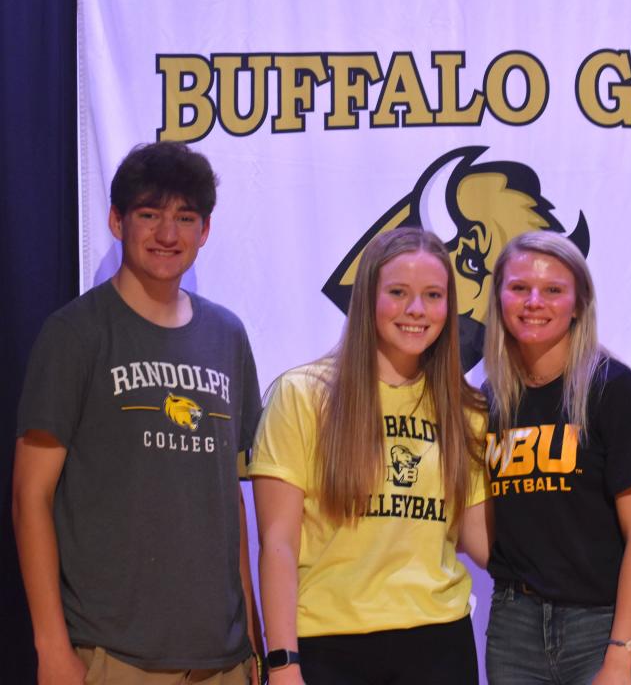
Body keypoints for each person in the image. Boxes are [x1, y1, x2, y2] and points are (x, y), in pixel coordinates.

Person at [13, 141, 262, 685]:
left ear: (206, 229)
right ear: (116, 220)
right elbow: (29, 495)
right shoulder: (75, 334)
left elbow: (230, 503)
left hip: (225, 661)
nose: (168, 234)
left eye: (185, 217)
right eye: (150, 214)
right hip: (115, 658)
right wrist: (51, 646)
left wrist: (256, 643)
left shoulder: (228, 336)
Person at [250, 227, 490, 685]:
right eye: (398, 292)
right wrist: (282, 662)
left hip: (439, 643)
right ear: (366, 299)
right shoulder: (303, 395)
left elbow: (481, 540)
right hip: (330, 644)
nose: (417, 310)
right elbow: (277, 544)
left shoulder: (466, 408)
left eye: (433, 295)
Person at [482, 231, 631, 685]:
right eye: (519, 287)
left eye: (554, 290)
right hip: (514, 626)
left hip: (601, 624)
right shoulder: (489, 403)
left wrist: (620, 655)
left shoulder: (616, 392)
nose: (534, 301)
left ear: (579, 303)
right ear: (499, 297)